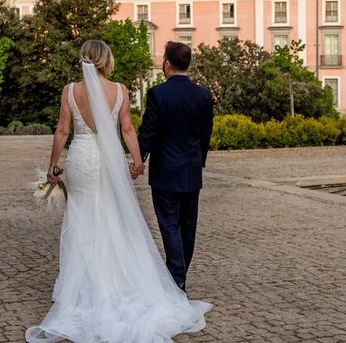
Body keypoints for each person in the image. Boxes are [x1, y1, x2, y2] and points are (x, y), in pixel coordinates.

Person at [26, 40, 210, 343]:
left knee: (83, 221)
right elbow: (127, 130)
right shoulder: (120, 90)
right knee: (113, 219)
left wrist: (52, 167)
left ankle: (85, 288)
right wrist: (137, 161)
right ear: (106, 61)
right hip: (109, 162)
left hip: (82, 160)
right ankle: (119, 284)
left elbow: (62, 131)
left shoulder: (70, 91)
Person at [137, 41, 214, 293]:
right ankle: (179, 275)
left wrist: (139, 159)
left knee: (169, 224)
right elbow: (205, 134)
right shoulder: (203, 94)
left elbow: (148, 131)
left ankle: (177, 279)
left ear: (167, 64)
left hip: (165, 172)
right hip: (191, 171)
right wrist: (198, 162)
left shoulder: (158, 94)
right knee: (187, 226)